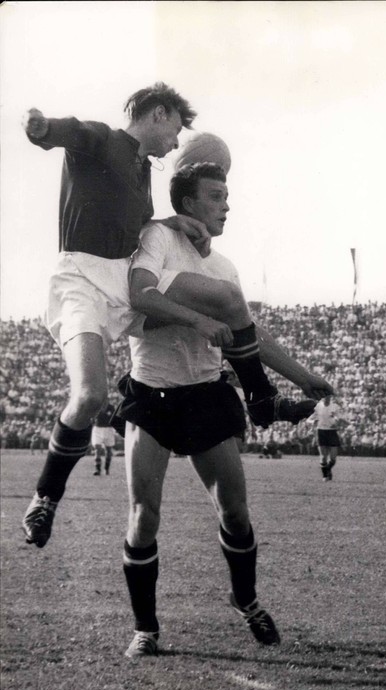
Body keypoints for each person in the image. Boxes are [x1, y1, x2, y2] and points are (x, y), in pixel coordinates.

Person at [22, 84, 310, 549]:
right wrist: (42, 130)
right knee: (90, 393)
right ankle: (45, 497)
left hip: (123, 286)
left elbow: (133, 226)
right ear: (158, 114)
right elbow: (70, 133)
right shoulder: (104, 139)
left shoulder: (142, 171)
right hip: (81, 281)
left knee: (222, 301)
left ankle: (260, 397)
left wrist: (166, 223)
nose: (177, 143)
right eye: (176, 129)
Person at [117, 161, 333, 656]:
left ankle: (245, 599)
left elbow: (247, 336)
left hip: (206, 394)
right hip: (151, 395)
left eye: (227, 196)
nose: (227, 205)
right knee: (143, 515)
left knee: (235, 513)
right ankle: (145, 629)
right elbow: (135, 308)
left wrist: (302, 376)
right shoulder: (155, 241)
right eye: (216, 196)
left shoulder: (224, 270)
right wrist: (193, 321)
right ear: (188, 204)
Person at [312, 395, 343, 481]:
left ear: (330, 397)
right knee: (323, 456)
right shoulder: (318, 406)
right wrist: (313, 423)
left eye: (328, 396)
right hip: (321, 431)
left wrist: (336, 421)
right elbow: (311, 418)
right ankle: (325, 475)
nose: (326, 398)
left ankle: (328, 469)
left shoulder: (335, 406)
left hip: (332, 431)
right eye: (324, 396)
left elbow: (339, 417)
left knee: (333, 457)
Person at [91, 403, 117, 476]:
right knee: (97, 448)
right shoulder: (96, 406)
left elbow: (114, 418)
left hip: (109, 429)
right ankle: (97, 469)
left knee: (108, 450)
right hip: (97, 429)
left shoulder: (111, 407)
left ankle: (106, 469)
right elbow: (91, 418)